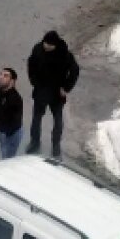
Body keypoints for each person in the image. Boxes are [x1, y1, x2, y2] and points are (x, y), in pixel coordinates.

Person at [26, 30, 79, 158]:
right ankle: (35, 142)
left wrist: (66, 88)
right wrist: (34, 82)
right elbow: (31, 64)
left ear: (55, 45)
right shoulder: (38, 49)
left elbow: (74, 71)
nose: (46, 46)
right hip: (41, 90)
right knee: (36, 118)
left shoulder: (64, 54)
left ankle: (56, 146)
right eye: (45, 43)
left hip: (57, 93)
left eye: (50, 45)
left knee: (58, 121)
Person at [0, 68, 24, 159]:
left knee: (8, 159)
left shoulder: (15, 99)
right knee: (4, 154)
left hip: (11, 135)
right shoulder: (1, 91)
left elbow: (14, 122)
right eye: (1, 74)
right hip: (2, 132)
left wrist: (4, 134)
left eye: (6, 75)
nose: (1, 77)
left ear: (12, 81)